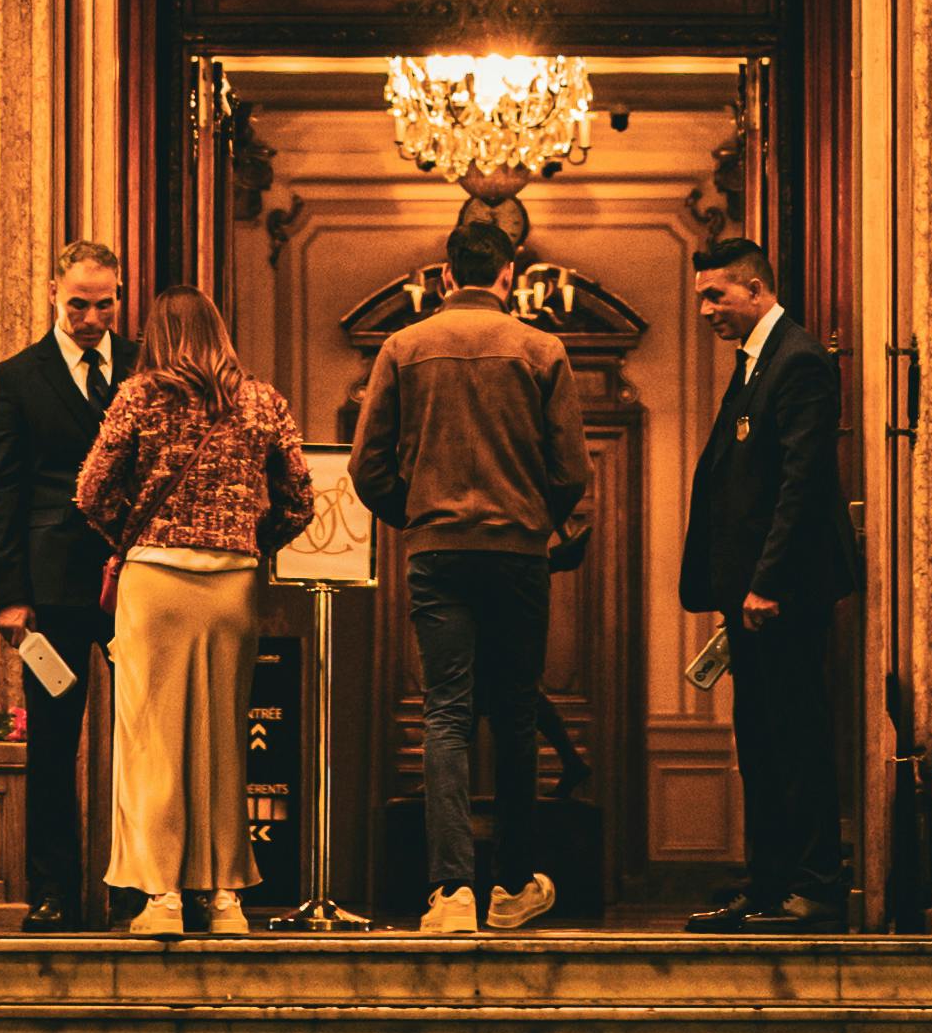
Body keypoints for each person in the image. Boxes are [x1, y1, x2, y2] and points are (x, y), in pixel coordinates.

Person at [350, 213, 592, 938]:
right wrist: (533, 518)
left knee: (446, 713)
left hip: (437, 552)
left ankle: (450, 891)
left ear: (447, 276)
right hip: (517, 553)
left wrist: (420, 513)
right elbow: (573, 469)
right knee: (515, 716)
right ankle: (512, 886)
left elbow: (368, 468)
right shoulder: (542, 348)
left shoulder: (404, 345)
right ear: (509, 276)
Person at [72, 292, 314, 937]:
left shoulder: (138, 395)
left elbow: (91, 490)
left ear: (157, 333)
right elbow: (301, 501)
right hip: (232, 584)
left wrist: (132, 535)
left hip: (154, 581)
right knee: (223, 742)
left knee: (154, 739)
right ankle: (226, 898)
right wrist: (246, 540)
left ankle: (164, 898)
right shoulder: (263, 400)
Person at [684, 231, 863, 930]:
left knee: (796, 738)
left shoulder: (801, 361)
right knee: (759, 743)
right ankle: (766, 884)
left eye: (715, 295)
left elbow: (801, 481)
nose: (705, 310)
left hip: (780, 595)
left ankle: (815, 886)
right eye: (701, 297)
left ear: (756, 289)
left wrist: (766, 582)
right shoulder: (759, 361)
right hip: (750, 597)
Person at [0, 240, 123, 927]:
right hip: (54, 582)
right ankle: (53, 891)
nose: (92, 318)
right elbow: (0, 492)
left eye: (105, 304)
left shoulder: (145, 368)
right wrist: (8, 594)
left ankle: (140, 891)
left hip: (136, 578)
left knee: (143, 739)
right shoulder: (19, 377)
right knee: (53, 744)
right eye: (79, 304)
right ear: (51, 293)